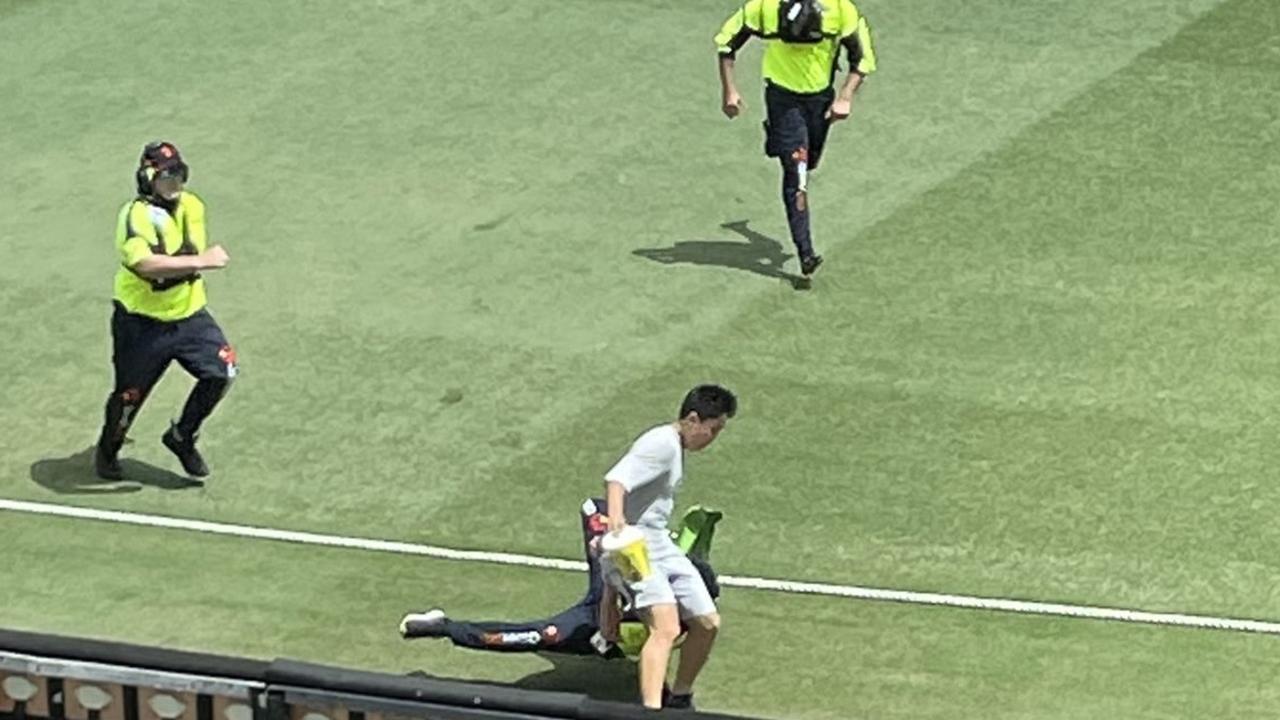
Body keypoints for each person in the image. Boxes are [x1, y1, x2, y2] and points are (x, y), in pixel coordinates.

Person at [398, 499, 723, 668]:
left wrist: (613, 601)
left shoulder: (670, 628)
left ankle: (442, 626)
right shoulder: (653, 569)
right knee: (594, 509)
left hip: (597, 630)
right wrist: (610, 553)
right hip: (612, 595)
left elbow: (609, 634)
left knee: (536, 636)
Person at [94, 141, 237, 481]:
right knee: (129, 397)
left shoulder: (192, 206)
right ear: (147, 179)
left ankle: (182, 435)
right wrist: (202, 261)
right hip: (141, 323)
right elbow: (144, 263)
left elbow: (185, 250)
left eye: (178, 175)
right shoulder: (135, 215)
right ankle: (108, 448)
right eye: (166, 177)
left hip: (188, 315)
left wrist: (193, 263)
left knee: (222, 371)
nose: (174, 184)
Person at [714, 0, 878, 279]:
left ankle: (778, 140)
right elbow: (726, 43)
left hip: (820, 101)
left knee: (808, 162)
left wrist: (845, 97)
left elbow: (862, 59)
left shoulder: (840, 10)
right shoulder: (766, 8)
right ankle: (806, 252)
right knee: (797, 172)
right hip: (783, 98)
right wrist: (729, 91)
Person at [603, 384, 737, 710]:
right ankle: (652, 711)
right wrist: (618, 527)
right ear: (693, 419)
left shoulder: (674, 446)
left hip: (659, 543)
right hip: (636, 545)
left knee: (707, 623)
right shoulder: (660, 444)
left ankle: (680, 696)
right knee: (666, 627)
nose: (713, 437)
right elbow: (617, 480)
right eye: (713, 429)